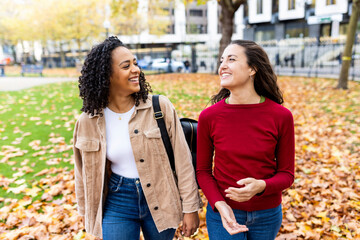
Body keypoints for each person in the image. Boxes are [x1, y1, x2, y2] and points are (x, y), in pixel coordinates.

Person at [73, 36, 201, 240]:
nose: (136, 70)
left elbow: (182, 160)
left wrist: (190, 208)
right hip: (117, 200)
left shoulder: (160, 107)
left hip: (161, 195)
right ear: (107, 76)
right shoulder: (88, 120)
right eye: (126, 66)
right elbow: (81, 173)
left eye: (135, 63)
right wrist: (86, 213)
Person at [196, 40, 295, 240]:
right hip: (223, 213)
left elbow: (287, 174)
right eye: (222, 60)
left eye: (231, 59)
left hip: (267, 214)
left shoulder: (281, 116)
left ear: (252, 69)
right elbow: (203, 172)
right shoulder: (209, 117)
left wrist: (261, 186)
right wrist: (219, 204)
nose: (222, 65)